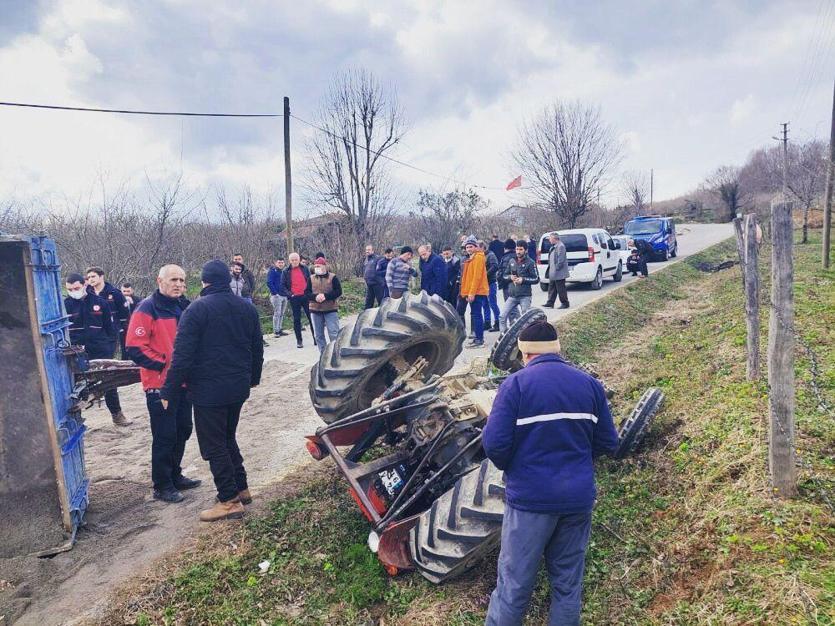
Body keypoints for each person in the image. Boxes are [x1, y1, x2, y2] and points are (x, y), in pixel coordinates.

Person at [482, 321, 619, 625]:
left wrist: (517, 470)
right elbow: (609, 441)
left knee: (514, 586)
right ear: (557, 349)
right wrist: (578, 461)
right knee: (567, 586)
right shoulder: (589, 385)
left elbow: (494, 445)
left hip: (530, 501)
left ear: (525, 352)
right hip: (577, 500)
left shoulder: (515, 386)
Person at [161, 260, 264, 522]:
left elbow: (181, 357)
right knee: (228, 437)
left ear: (205, 282)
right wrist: (253, 378)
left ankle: (228, 500)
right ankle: (242, 488)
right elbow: (257, 349)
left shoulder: (196, 310)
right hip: (238, 387)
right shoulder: (246, 308)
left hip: (209, 391)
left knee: (214, 445)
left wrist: (168, 391)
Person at [125, 265, 200, 503]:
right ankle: (162, 484)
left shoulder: (183, 306)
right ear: (160, 280)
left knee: (183, 429)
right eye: (174, 280)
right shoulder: (147, 308)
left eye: (182, 280)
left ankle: (175, 475)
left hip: (184, 384)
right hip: (160, 385)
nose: (178, 284)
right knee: (165, 434)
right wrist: (163, 364)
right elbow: (134, 347)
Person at [65, 273, 128, 426]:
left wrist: (109, 347)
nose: (74, 291)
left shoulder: (100, 303)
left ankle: (117, 415)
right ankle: (74, 421)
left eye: (77, 288)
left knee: (109, 384)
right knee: (73, 386)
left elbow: (110, 328)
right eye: (70, 289)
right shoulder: (65, 304)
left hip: (100, 348)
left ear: (85, 285)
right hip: (76, 352)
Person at [86, 266, 130, 358]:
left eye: (93, 276)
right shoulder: (87, 294)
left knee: (107, 360)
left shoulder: (115, 293)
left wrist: (118, 329)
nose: (90, 279)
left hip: (110, 335)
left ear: (101, 277)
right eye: (88, 277)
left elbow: (124, 314)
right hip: (93, 335)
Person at [499, 240, 539, 331]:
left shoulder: (531, 262)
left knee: (526, 320)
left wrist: (523, 280)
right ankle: (503, 339)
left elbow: (536, 279)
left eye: (520, 249)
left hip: (525, 296)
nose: (518, 251)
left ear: (526, 250)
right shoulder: (512, 261)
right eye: (517, 249)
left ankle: (525, 338)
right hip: (512, 296)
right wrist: (510, 277)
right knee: (502, 317)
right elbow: (504, 276)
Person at [458, 236, 488, 347]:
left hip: (477, 292)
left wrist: (471, 293)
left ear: (476, 247)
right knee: (476, 315)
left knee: (477, 315)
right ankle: (477, 338)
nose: (469, 249)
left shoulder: (478, 258)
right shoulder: (472, 258)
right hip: (473, 291)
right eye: (467, 247)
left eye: (471, 247)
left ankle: (480, 340)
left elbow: (476, 277)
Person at [281, 252, 316, 348]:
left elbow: (311, 280)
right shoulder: (285, 271)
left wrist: (310, 293)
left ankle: (316, 338)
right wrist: (290, 294)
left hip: (305, 296)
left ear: (299, 260)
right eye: (292, 260)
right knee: (297, 320)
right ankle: (299, 341)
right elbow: (283, 285)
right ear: (289, 261)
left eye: (296, 259)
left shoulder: (305, 268)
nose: (294, 262)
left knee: (311, 317)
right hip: (294, 297)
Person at [309, 257, 342, 353]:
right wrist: (315, 297)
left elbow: (338, 291)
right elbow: (306, 293)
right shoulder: (311, 278)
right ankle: (323, 354)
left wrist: (326, 296)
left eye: (318, 266)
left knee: (334, 333)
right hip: (315, 310)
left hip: (330, 309)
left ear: (324, 266)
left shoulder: (333, 277)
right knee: (318, 335)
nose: (316, 268)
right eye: (315, 266)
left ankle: (336, 353)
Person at [543, 233, 570, 309]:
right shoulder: (553, 247)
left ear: (555, 238)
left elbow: (560, 260)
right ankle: (550, 303)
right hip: (553, 272)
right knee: (552, 288)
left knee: (561, 288)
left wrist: (556, 269)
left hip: (558, 272)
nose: (549, 240)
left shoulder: (560, 246)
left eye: (550, 238)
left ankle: (565, 303)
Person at [480, 240, 501, 332]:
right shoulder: (479, 256)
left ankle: (498, 322)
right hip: (483, 284)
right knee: (484, 304)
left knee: (492, 303)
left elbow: (495, 266)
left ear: (483, 247)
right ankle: (487, 322)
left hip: (490, 282)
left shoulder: (490, 255)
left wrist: (485, 275)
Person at [266, 257, 289, 337]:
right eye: (279, 262)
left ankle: (280, 329)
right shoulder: (272, 271)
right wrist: (275, 293)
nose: (281, 264)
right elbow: (269, 282)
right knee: (277, 313)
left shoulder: (284, 272)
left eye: (282, 262)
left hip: (284, 296)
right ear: (276, 263)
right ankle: (276, 331)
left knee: (282, 313)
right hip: (276, 296)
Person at [362, 245, 384, 309]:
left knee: (381, 301)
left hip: (377, 284)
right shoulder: (366, 260)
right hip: (369, 284)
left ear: (372, 251)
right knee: (368, 302)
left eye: (369, 250)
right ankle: (366, 316)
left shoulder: (378, 258)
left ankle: (382, 315)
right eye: (366, 250)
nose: (367, 251)